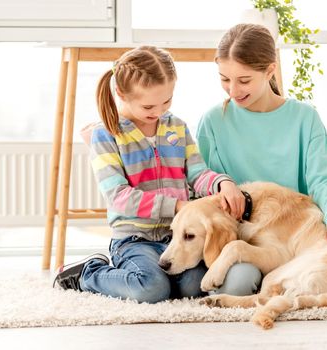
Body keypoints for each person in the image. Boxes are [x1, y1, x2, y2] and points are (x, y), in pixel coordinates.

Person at [196, 24, 327, 297]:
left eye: (244, 80)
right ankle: (284, 279)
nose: (233, 90)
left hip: (299, 235)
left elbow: (323, 180)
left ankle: (288, 278)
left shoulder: (305, 118)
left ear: (270, 71)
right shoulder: (213, 122)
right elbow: (200, 181)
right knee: (238, 285)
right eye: (225, 79)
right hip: (248, 238)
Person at [52, 46, 244, 303]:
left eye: (167, 101)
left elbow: (197, 173)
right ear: (121, 93)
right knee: (151, 289)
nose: (160, 111)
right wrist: (176, 206)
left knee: (195, 285)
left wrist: (223, 183)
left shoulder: (176, 127)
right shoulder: (106, 135)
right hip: (134, 239)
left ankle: (153, 278)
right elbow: (119, 197)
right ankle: (89, 273)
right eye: (149, 105)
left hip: (174, 238)